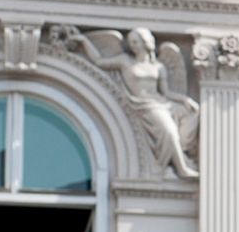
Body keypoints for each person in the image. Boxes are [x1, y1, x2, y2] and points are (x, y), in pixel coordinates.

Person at [66, 27, 198, 178]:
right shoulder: (125, 61)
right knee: (169, 130)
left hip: (160, 102)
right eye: (131, 42)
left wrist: (185, 99)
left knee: (192, 112)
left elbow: (166, 92)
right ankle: (181, 168)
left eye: (136, 41)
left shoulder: (159, 67)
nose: (133, 45)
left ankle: (181, 153)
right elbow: (99, 61)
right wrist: (84, 41)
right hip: (143, 104)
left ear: (146, 42)